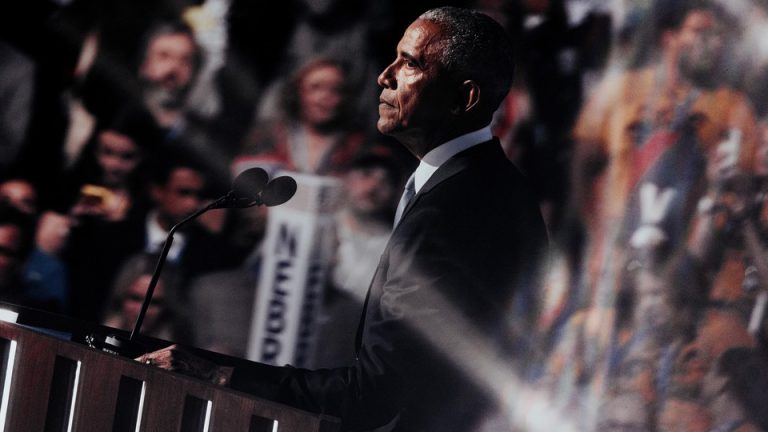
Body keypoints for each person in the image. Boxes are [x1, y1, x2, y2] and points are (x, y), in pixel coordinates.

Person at [139, 7, 548, 431]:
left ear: (466, 98)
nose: (383, 76)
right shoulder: (498, 187)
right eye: (393, 58)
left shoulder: (451, 209)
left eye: (410, 63)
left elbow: (372, 394)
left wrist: (222, 376)